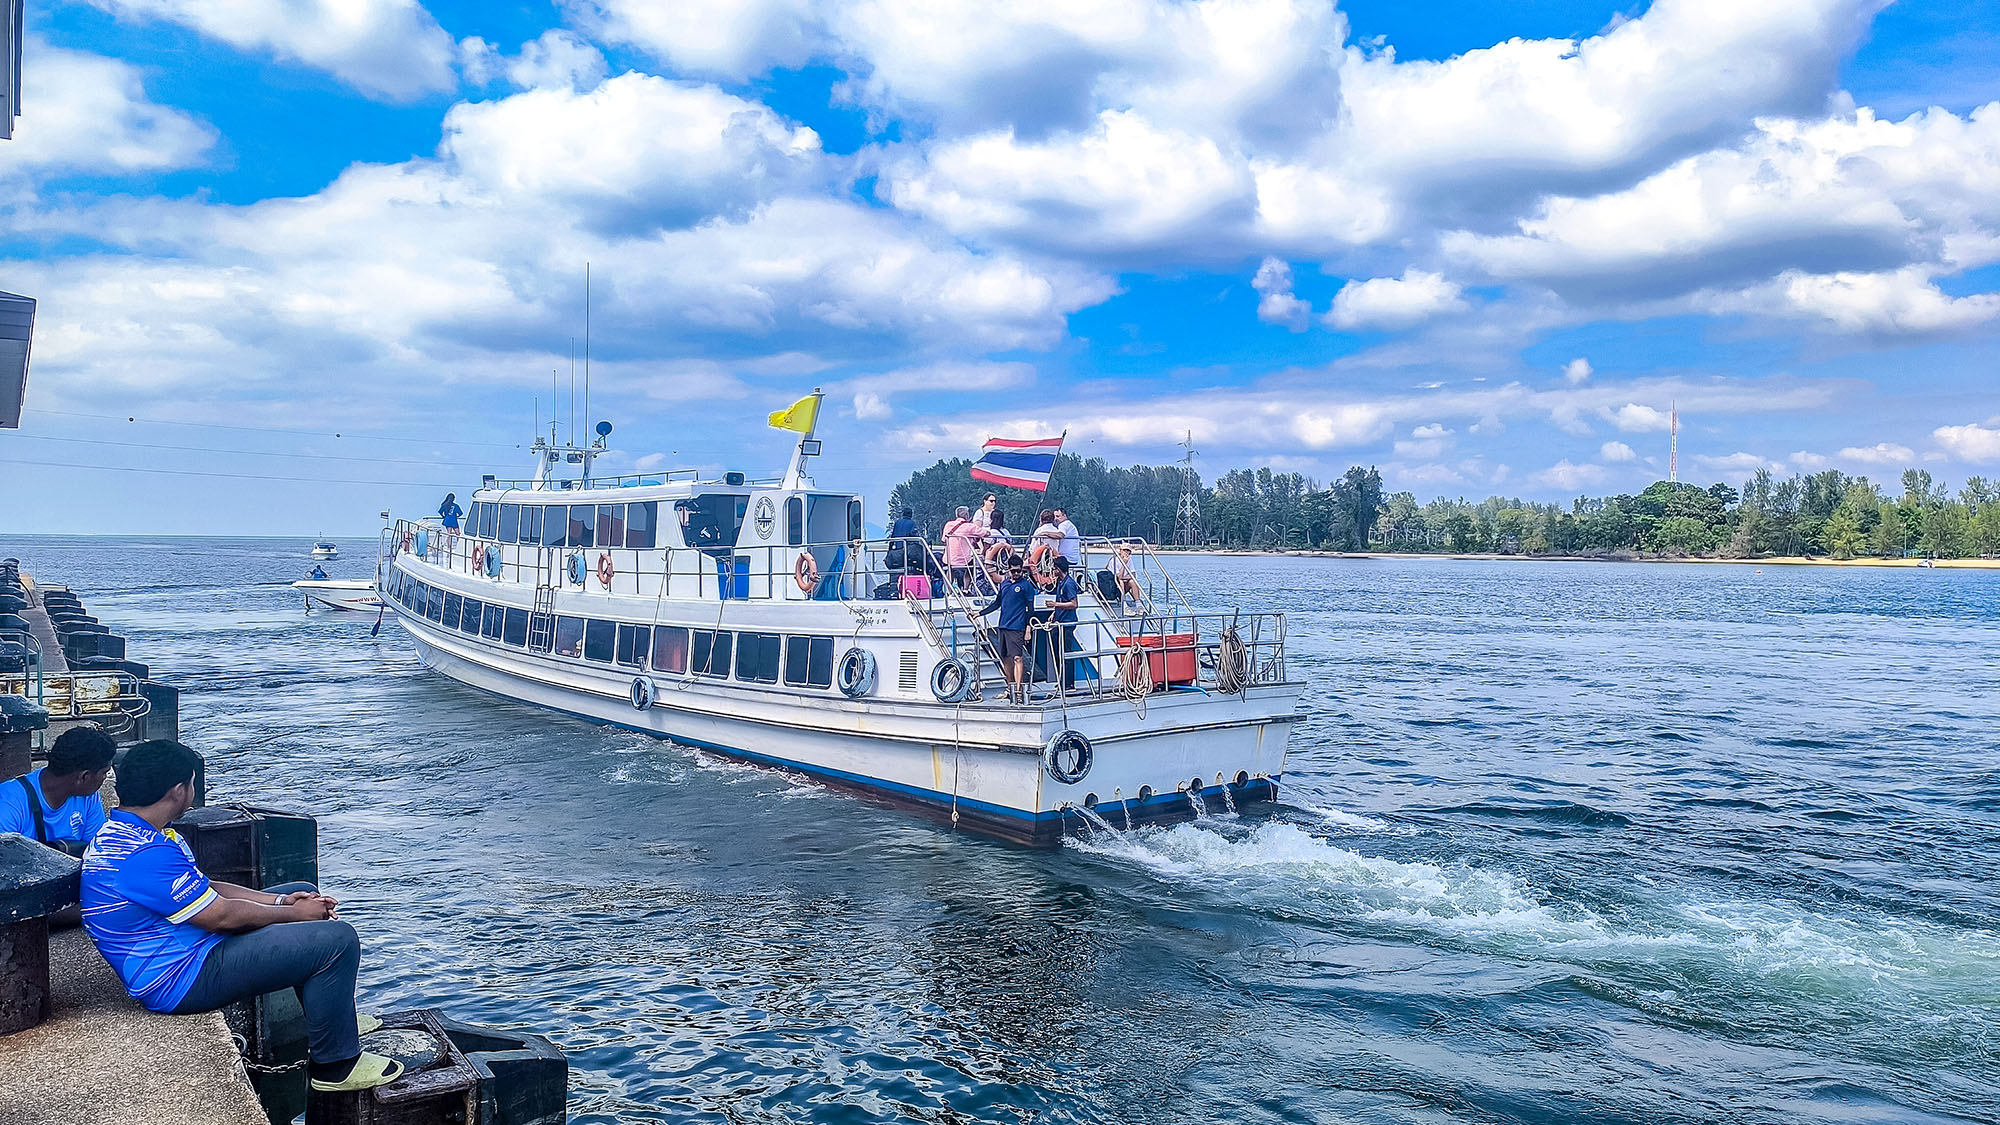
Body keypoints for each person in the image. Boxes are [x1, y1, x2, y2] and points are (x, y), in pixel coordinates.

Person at [81, 740, 403, 1093]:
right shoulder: (144, 856)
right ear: (178, 791)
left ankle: (333, 1015)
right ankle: (336, 1066)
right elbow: (220, 917)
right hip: (179, 978)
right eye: (191, 783)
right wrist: (293, 914)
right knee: (337, 941)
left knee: (301, 888)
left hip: (187, 948)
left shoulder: (132, 833)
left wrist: (283, 901)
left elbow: (208, 888)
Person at [1, 725, 114, 858]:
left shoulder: (88, 797)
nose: (105, 778)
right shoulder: (8, 803)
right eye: (104, 773)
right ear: (84, 776)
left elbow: (97, 852)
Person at [976, 560, 1039, 704]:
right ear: (1009, 570)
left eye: (1019, 571)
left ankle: (1018, 691)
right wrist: (980, 613)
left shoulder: (1026, 586)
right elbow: (997, 603)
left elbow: (1031, 609)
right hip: (1003, 625)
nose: (1016, 574)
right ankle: (1009, 687)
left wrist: (1028, 628)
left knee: (1017, 657)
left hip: (1017, 627)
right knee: (1005, 657)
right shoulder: (1004, 584)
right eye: (1014, 571)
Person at [1045, 556, 1082, 691]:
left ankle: (1069, 683)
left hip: (1067, 623)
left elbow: (1074, 604)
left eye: (1054, 568)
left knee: (1066, 652)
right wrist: (1054, 612)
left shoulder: (1069, 583)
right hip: (1059, 621)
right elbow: (1062, 600)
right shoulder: (1060, 582)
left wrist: (1055, 604)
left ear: (1058, 569)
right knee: (1057, 652)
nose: (1052, 571)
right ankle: (1062, 680)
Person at [941, 506, 980, 594]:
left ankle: (948, 591)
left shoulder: (948, 525)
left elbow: (943, 540)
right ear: (966, 515)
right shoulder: (970, 526)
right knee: (971, 566)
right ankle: (966, 589)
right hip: (964, 559)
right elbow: (984, 533)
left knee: (950, 569)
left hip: (950, 558)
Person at [887, 507, 920, 573]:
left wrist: (888, 552)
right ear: (911, 514)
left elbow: (892, 538)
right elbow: (915, 537)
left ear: (903, 514)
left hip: (897, 552)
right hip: (907, 552)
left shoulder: (897, 523)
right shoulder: (911, 523)